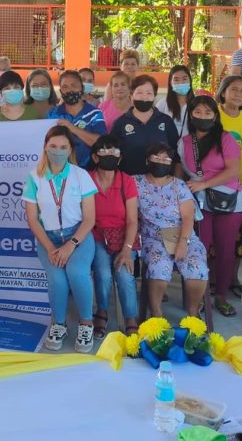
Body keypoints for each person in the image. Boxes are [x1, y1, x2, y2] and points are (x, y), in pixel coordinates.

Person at [23, 126, 97, 353]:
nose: (57, 151)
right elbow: (33, 219)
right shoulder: (35, 177)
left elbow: (90, 219)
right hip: (49, 239)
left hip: (79, 237)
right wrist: (51, 248)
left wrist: (70, 246)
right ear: (45, 147)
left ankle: (86, 323)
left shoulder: (80, 175)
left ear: (70, 150)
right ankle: (59, 323)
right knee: (57, 278)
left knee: (76, 272)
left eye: (63, 147)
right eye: (53, 146)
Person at [179, 96, 242, 317]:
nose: (203, 117)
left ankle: (221, 296)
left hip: (229, 203)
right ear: (191, 115)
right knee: (198, 249)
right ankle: (198, 298)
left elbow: (233, 170)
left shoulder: (226, 139)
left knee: (226, 250)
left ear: (216, 116)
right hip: (198, 203)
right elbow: (180, 173)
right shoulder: (184, 142)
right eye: (198, 112)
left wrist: (204, 183)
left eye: (208, 113)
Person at [134, 142, 208, 318]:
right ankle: (157, 315)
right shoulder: (135, 182)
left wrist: (183, 242)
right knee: (159, 266)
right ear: (147, 160)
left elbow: (189, 217)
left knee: (197, 267)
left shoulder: (179, 185)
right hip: (152, 237)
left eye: (166, 158)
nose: (161, 161)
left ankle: (193, 313)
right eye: (156, 157)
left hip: (182, 234)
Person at [88, 135, 139, 339]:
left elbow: (133, 221)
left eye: (115, 152)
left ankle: (130, 318)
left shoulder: (127, 181)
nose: (110, 156)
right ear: (95, 157)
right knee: (103, 273)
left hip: (124, 236)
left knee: (124, 274)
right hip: (96, 236)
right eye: (105, 152)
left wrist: (127, 249)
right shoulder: (87, 179)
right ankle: (102, 311)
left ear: (120, 158)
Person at [111, 75, 179, 175]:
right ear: (131, 94)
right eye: (139, 92)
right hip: (130, 182)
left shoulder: (166, 121)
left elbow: (176, 155)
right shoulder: (121, 123)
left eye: (149, 93)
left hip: (160, 182)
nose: (144, 97)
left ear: (154, 95)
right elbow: (113, 154)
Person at [48, 70, 106, 168]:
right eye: (65, 87)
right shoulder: (53, 114)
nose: (69, 90)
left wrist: (73, 129)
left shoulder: (95, 113)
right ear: (61, 91)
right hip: (60, 172)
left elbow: (101, 143)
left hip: (89, 172)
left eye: (74, 85)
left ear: (82, 88)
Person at [217, 75, 242, 183]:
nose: (238, 94)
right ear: (223, 92)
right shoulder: (214, 114)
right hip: (219, 176)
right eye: (234, 89)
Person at [157, 65, 195, 139]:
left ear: (190, 80)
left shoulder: (197, 103)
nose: (181, 82)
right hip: (167, 148)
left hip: (190, 148)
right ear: (170, 83)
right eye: (176, 80)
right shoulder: (163, 104)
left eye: (184, 79)